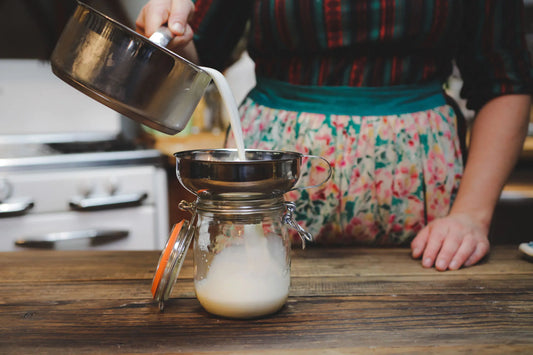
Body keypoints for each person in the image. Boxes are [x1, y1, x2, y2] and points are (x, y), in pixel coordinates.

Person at [136, 0, 533, 271]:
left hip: (427, 219)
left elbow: (504, 80)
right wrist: (178, 36)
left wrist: (470, 216)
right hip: (264, 194)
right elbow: (201, 57)